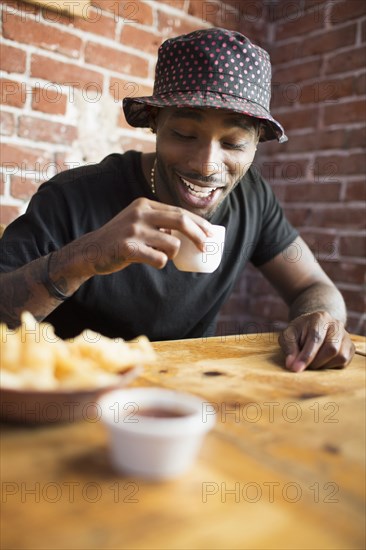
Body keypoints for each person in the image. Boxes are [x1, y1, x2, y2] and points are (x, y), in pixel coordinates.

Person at [0, 28, 355, 372]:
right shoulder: (72, 195)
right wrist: (83, 258)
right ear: (155, 121)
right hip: (76, 401)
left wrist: (320, 322)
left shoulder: (253, 197)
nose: (206, 164)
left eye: (233, 143)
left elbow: (314, 286)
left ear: (258, 140)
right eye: (184, 134)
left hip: (191, 398)